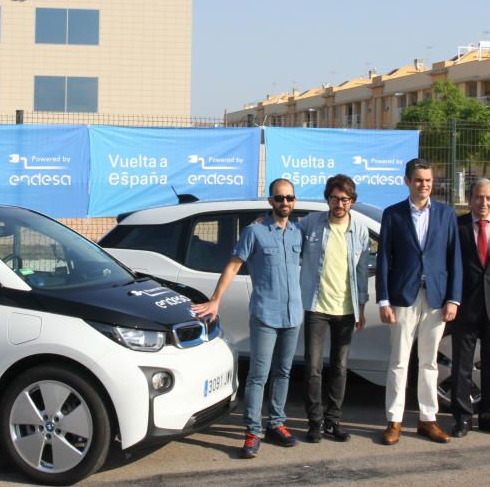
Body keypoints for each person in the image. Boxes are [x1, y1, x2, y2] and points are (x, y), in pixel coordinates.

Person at [191, 178, 303, 458]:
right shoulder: (254, 232)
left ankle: (277, 423)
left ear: (294, 201)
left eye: (289, 198)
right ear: (270, 201)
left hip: (293, 315)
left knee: (284, 372)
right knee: (258, 376)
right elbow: (233, 265)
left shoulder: (297, 233)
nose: (285, 203)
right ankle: (253, 431)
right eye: (279, 198)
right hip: (265, 314)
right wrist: (215, 299)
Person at [376, 158, 462, 445]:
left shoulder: (446, 214)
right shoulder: (393, 214)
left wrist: (453, 298)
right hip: (403, 298)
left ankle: (428, 420)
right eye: (418, 180)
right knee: (399, 362)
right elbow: (385, 258)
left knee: (429, 363)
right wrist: (384, 300)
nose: (423, 185)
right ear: (407, 181)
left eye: (428, 180)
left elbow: (454, 258)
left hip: (436, 299)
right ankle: (394, 421)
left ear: (432, 182)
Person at [296, 174, 372, 443]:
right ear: (327, 199)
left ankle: (333, 420)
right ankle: (314, 422)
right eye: (334, 198)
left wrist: (361, 307)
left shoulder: (360, 230)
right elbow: (287, 232)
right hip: (316, 305)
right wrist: (264, 222)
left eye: (344, 199)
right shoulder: (312, 224)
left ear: (352, 201)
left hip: (346, 309)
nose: (339, 204)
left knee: (340, 367)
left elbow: (362, 271)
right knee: (313, 367)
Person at [450, 178, 490, 438]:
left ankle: (489, 417)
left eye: (488, 198)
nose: (483, 203)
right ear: (470, 198)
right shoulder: (458, 226)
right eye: (478, 197)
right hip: (465, 305)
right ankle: (462, 418)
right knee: (462, 366)